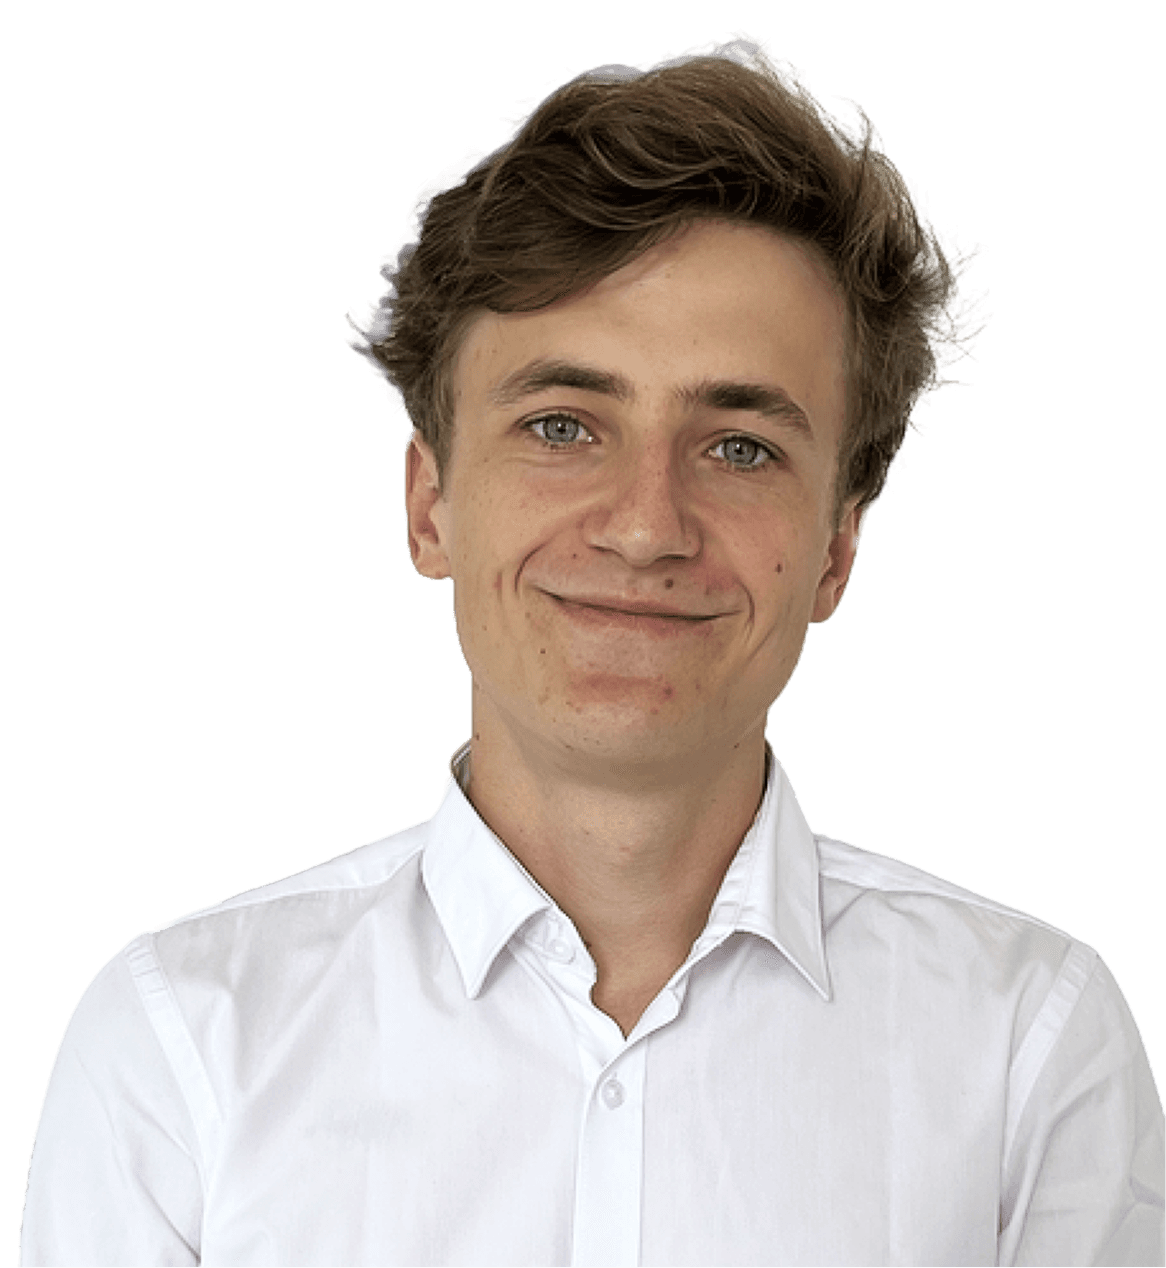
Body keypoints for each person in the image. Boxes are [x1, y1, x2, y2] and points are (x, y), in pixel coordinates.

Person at [20, 32, 1164, 1268]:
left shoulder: (1028, 1043)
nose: (643, 525)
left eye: (739, 446)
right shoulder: (181, 1042)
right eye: (561, 425)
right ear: (428, 505)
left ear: (838, 545)